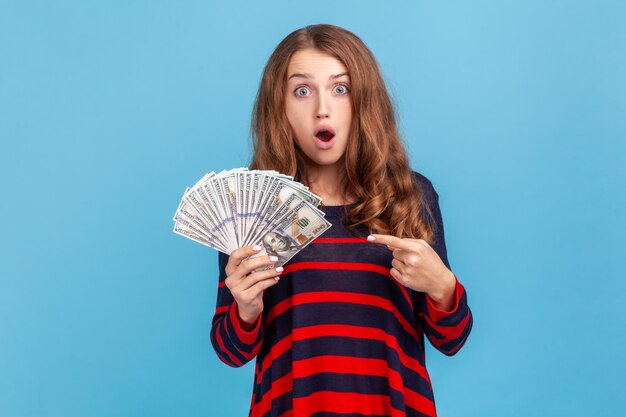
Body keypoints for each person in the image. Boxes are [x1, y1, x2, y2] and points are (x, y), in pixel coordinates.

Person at [210, 24, 473, 417]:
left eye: (340, 88)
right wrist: (245, 309)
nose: (322, 107)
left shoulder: (410, 196)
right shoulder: (251, 209)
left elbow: (452, 339)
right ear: (278, 106)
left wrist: (442, 287)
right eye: (302, 90)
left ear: (363, 100)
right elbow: (230, 352)